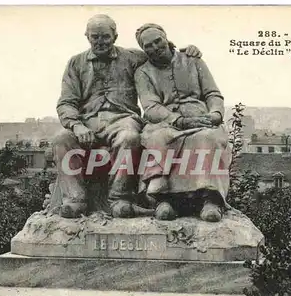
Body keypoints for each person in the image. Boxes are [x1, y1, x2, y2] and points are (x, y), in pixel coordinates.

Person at [47, 15, 202, 219]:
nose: (100, 41)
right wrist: (76, 126)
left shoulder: (132, 57)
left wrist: (185, 50)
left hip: (123, 119)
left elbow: (158, 53)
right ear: (87, 37)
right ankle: (75, 199)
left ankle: (118, 198)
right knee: (61, 139)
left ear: (115, 36)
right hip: (87, 121)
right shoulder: (76, 63)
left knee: (129, 138)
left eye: (105, 36)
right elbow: (66, 102)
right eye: (95, 37)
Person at [134, 23, 230, 222]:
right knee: (159, 139)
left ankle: (210, 200)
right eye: (147, 46)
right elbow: (151, 106)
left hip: (201, 117)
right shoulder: (142, 72)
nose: (154, 47)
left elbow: (212, 93)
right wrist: (177, 120)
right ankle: (163, 200)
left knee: (207, 137)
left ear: (165, 37)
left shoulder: (193, 61)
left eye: (157, 41)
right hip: (165, 121)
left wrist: (215, 114)